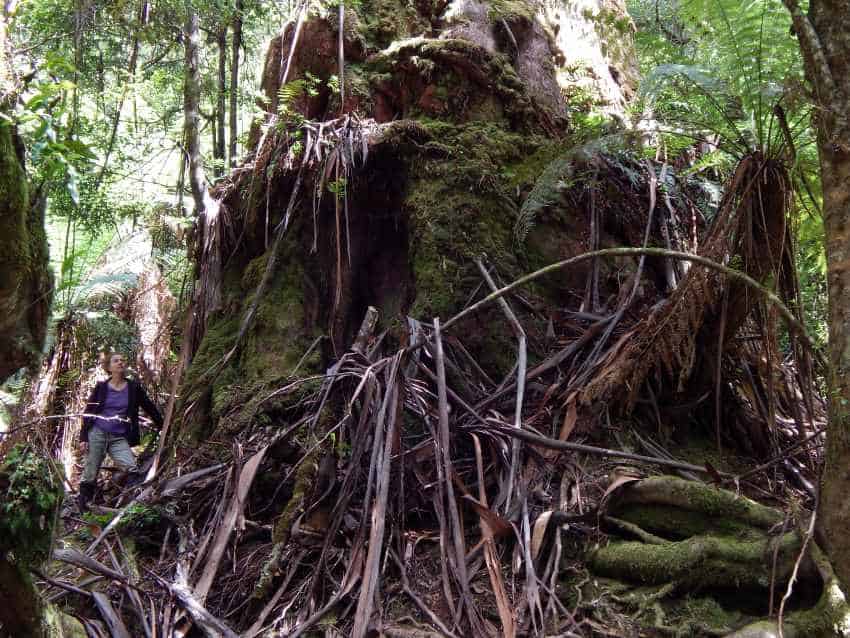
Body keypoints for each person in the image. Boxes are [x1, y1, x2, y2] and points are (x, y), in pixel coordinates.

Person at [78, 352, 163, 511]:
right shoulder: (101, 387)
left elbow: (148, 406)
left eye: (122, 360)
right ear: (109, 367)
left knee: (132, 468)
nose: (120, 363)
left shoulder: (133, 387)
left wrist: (163, 425)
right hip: (97, 432)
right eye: (116, 361)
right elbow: (88, 411)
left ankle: (132, 505)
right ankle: (84, 507)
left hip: (118, 436)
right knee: (90, 471)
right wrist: (83, 438)